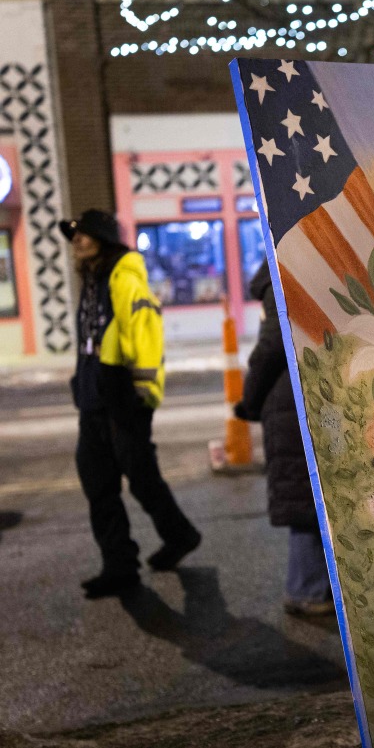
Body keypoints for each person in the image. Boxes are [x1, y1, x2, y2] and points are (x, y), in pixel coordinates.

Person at [61, 208, 202, 599]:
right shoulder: (92, 279)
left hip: (122, 396)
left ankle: (180, 535)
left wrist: (141, 395)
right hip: (93, 397)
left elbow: (143, 333)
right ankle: (119, 566)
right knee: (97, 482)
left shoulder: (123, 275)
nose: (77, 240)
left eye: (84, 234)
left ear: (104, 237)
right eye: (74, 235)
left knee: (140, 477)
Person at [235, 261, 333, 617]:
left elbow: (271, 348)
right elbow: (275, 346)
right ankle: (308, 587)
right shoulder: (289, 274)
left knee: (304, 499)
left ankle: (307, 587)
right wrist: (250, 401)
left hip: (289, 403)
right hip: (301, 400)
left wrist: (250, 401)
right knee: (308, 498)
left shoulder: (278, 279)